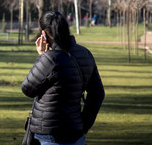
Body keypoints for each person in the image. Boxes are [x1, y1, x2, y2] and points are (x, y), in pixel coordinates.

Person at [21, 11, 105, 145]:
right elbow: (98, 93)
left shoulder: (50, 58)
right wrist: (84, 125)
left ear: (43, 34)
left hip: (49, 134)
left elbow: (27, 89)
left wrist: (42, 56)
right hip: (76, 132)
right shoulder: (85, 54)